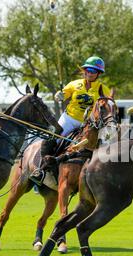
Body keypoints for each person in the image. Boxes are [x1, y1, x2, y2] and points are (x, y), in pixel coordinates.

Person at [30, 56, 112, 185]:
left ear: (99, 73)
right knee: (52, 138)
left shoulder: (104, 89)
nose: (89, 73)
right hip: (69, 119)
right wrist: (59, 96)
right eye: (87, 70)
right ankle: (41, 170)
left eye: (93, 70)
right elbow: (62, 95)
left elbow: (108, 107)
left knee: (105, 144)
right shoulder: (74, 84)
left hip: (90, 124)